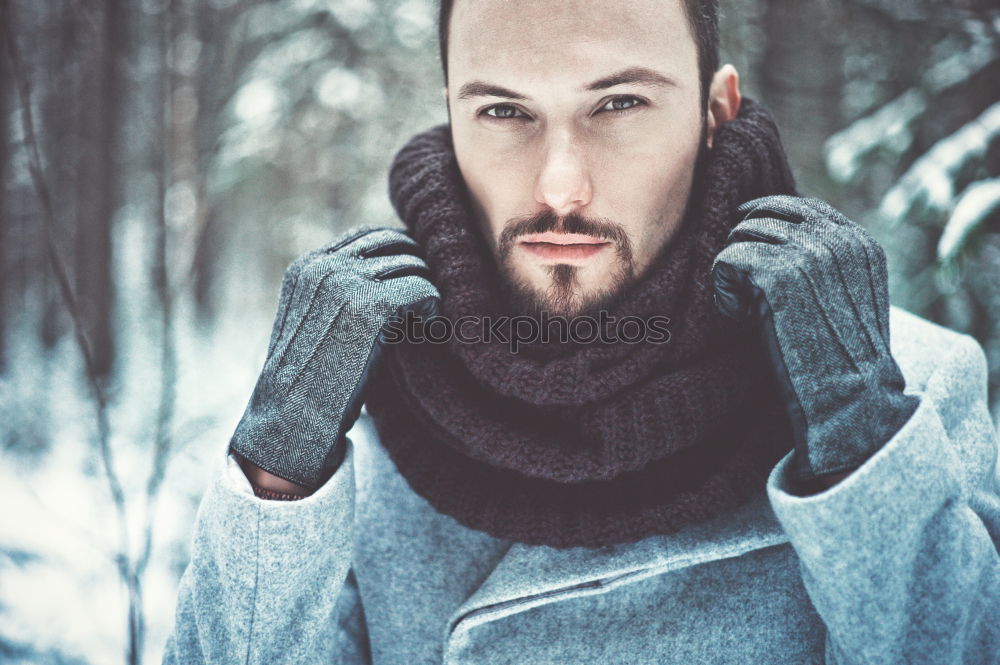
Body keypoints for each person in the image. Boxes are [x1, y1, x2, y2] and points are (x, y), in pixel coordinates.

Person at [161, 0, 1000, 663]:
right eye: (503, 111)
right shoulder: (365, 411)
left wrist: (859, 439)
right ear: (450, 118)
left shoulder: (905, 390)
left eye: (620, 102)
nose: (560, 185)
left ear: (717, 110)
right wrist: (276, 472)